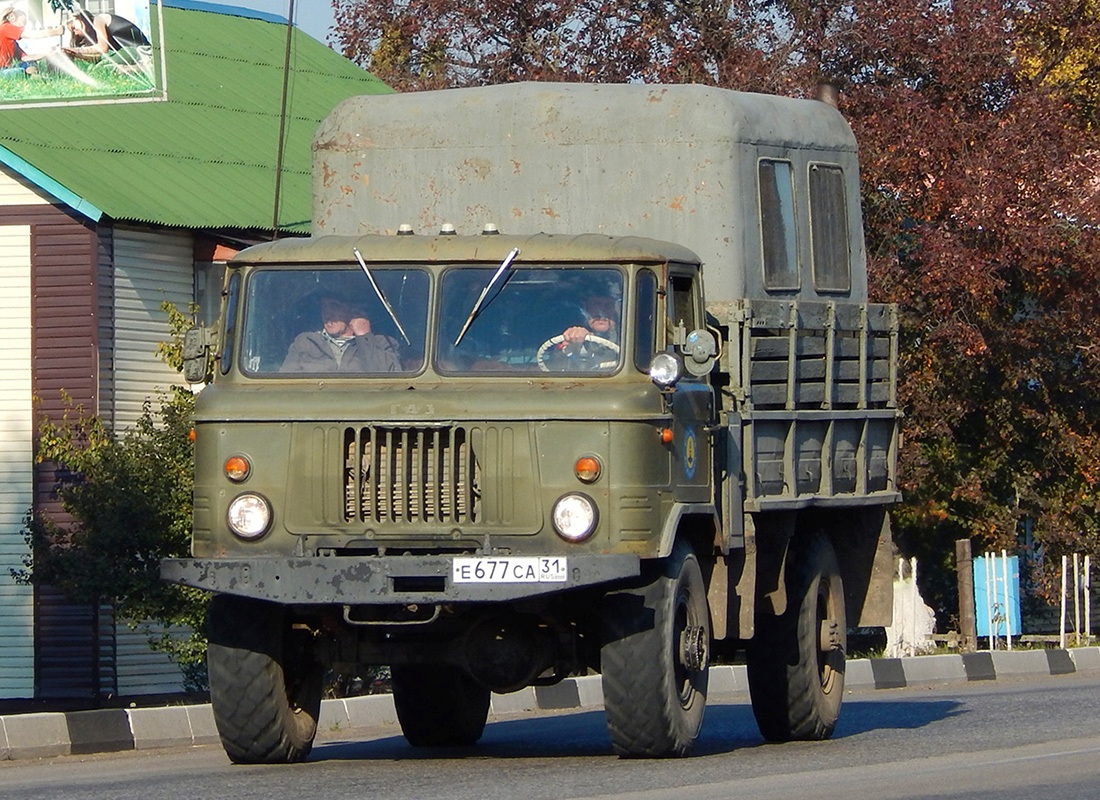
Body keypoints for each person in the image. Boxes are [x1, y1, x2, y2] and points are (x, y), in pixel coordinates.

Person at [281, 297, 401, 373]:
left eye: (334, 306)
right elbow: (284, 384)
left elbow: (390, 382)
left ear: (352, 311)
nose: (327, 314)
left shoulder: (383, 343)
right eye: (324, 308)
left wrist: (364, 337)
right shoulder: (305, 342)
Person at [63, 9, 150, 71]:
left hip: (141, 50)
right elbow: (98, 57)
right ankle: (139, 67)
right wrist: (75, 54)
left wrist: (77, 50)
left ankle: (141, 68)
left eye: (73, 27)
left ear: (78, 18)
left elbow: (103, 48)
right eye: (73, 33)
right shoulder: (96, 34)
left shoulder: (99, 19)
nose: (76, 33)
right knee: (96, 68)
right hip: (132, 51)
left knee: (101, 69)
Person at [0, 8, 62, 77]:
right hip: (2, 70)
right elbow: (32, 35)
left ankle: (34, 75)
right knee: (20, 71)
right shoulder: (5, 27)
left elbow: (26, 58)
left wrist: (46, 53)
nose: (23, 27)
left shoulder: (12, 43)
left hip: (6, 69)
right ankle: (33, 76)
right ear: (12, 17)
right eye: (22, 22)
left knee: (30, 63)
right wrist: (56, 31)